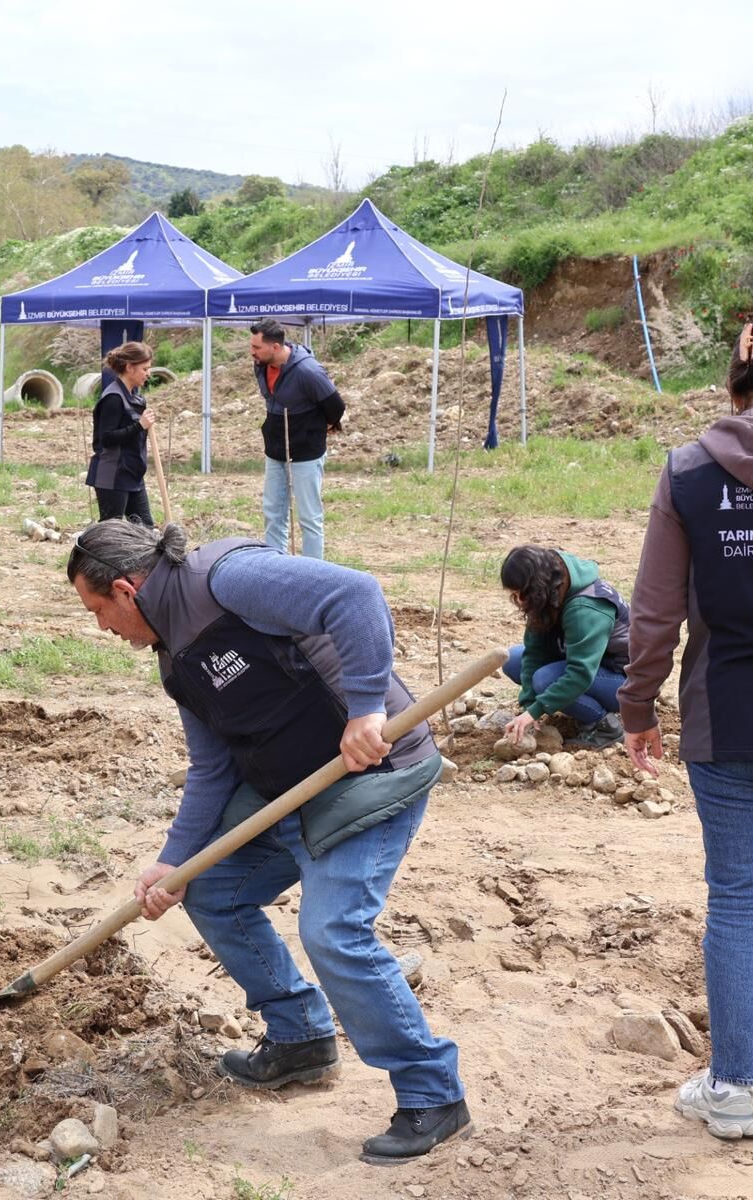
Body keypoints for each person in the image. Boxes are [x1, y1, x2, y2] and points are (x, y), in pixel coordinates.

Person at [66, 519, 469, 1165]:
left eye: (98, 612)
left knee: (334, 931)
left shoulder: (228, 580)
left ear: (125, 589)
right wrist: (175, 860)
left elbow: (356, 595)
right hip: (288, 787)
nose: (102, 630)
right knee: (213, 888)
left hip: (368, 774)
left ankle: (433, 1094)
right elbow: (212, 768)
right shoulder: (174, 656)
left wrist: (367, 707)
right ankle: (301, 1036)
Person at [620, 312, 753, 1142]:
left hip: (729, 713)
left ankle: (733, 1092)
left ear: (731, 390)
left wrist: (636, 708)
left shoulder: (691, 472)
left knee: (739, 899)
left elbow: (656, 613)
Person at [499, 544, 629, 750]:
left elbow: (580, 673)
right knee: (513, 660)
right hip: (592, 668)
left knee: (545, 679)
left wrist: (536, 711)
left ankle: (605, 727)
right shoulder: (550, 590)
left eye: (521, 594)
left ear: (536, 586)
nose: (519, 601)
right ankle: (573, 704)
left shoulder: (586, 608)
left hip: (626, 682)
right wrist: (528, 705)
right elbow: (534, 652)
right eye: (514, 595)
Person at [248, 318, 344, 559]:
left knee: (309, 517)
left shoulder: (307, 371)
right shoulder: (261, 365)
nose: (252, 352)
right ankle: (275, 566)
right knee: (273, 512)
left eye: (257, 348)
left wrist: (323, 426)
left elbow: (335, 405)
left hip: (306, 453)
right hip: (275, 449)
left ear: (276, 348)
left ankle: (312, 572)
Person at [87, 341, 157, 523]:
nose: (148, 374)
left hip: (132, 474)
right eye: (144, 369)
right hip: (112, 475)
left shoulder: (136, 397)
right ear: (129, 367)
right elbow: (106, 438)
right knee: (112, 532)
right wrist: (139, 425)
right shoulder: (113, 398)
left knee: (145, 529)